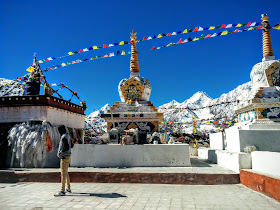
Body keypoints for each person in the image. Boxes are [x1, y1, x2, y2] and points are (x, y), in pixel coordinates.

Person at [55, 125, 73, 196]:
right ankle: (68, 188)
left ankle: (62, 190)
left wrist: (60, 152)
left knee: (63, 173)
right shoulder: (68, 136)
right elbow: (71, 145)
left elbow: (67, 147)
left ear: (61, 130)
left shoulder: (64, 137)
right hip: (68, 156)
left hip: (64, 157)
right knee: (66, 172)